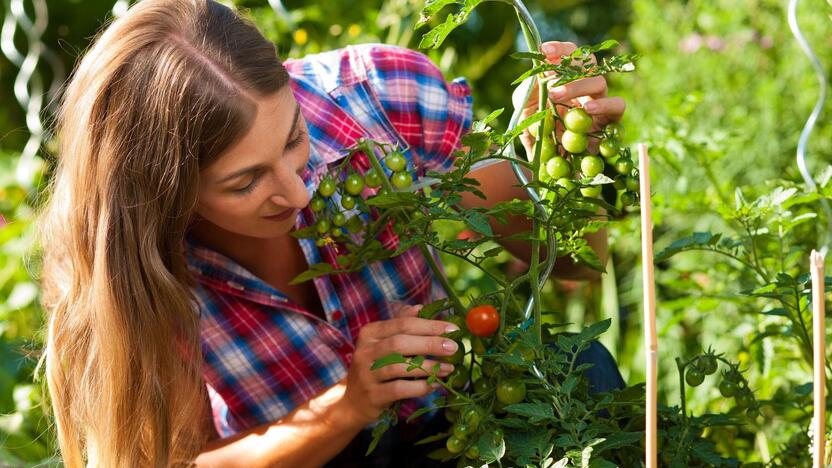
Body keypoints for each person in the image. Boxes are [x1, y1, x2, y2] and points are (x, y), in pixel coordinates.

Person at [33, 0, 627, 466]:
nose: (297, 192)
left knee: (582, 366)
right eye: (244, 183)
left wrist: (558, 155)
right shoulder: (126, 266)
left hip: (454, 429)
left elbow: (573, 265)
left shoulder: (374, 99)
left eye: (294, 139)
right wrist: (347, 405)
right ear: (166, 193)